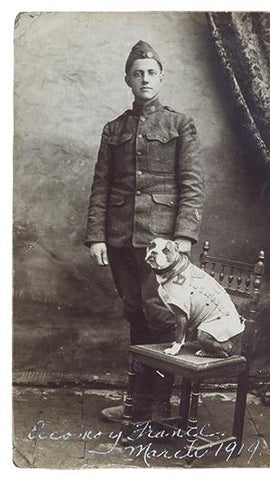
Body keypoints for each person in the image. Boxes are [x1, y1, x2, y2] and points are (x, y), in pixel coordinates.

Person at [85, 40, 205, 422]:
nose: (145, 79)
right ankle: (137, 400)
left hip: (165, 244)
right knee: (134, 311)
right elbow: (101, 186)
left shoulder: (179, 124)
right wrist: (97, 237)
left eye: (151, 72)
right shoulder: (114, 129)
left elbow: (191, 184)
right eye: (138, 74)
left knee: (164, 317)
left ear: (162, 77)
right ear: (127, 80)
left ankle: (159, 400)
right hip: (121, 238)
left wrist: (184, 235)